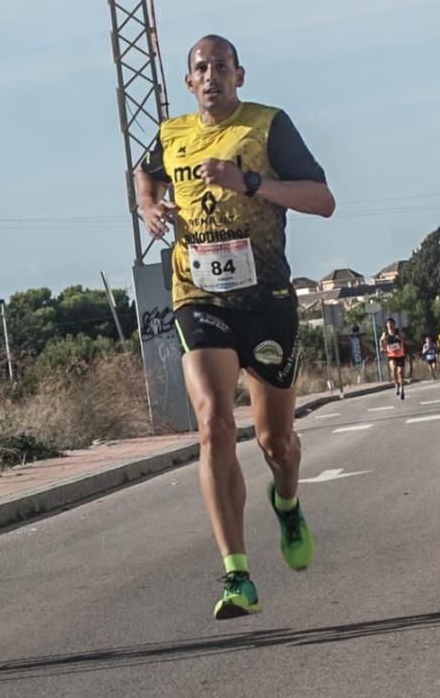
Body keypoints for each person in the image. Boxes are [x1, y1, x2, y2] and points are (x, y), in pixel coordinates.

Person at [135, 35, 335, 619]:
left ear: (239, 75)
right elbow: (145, 174)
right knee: (214, 424)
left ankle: (289, 502)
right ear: (188, 81)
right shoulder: (171, 134)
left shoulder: (269, 125)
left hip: (266, 298)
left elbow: (323, 199)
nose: (212, 75)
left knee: (277, 443)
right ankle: (236, 575)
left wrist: (249, 183)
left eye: (222, 66)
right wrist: (149, 206)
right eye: (202, 68)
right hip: (198, 294)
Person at [380, 318, 407, 400]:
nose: (390, 325)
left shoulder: (398, 332)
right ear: (387, 325)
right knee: (394, 369)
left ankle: (402, 389)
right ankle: (396, 384)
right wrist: (382, 348)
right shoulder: (385, 334)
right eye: (388, 324)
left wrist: (400, 338)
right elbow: (381, 341)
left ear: (394, 325)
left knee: (400, 372)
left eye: (391, 324)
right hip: (391, 355)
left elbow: (404, 339)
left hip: (400, 355)